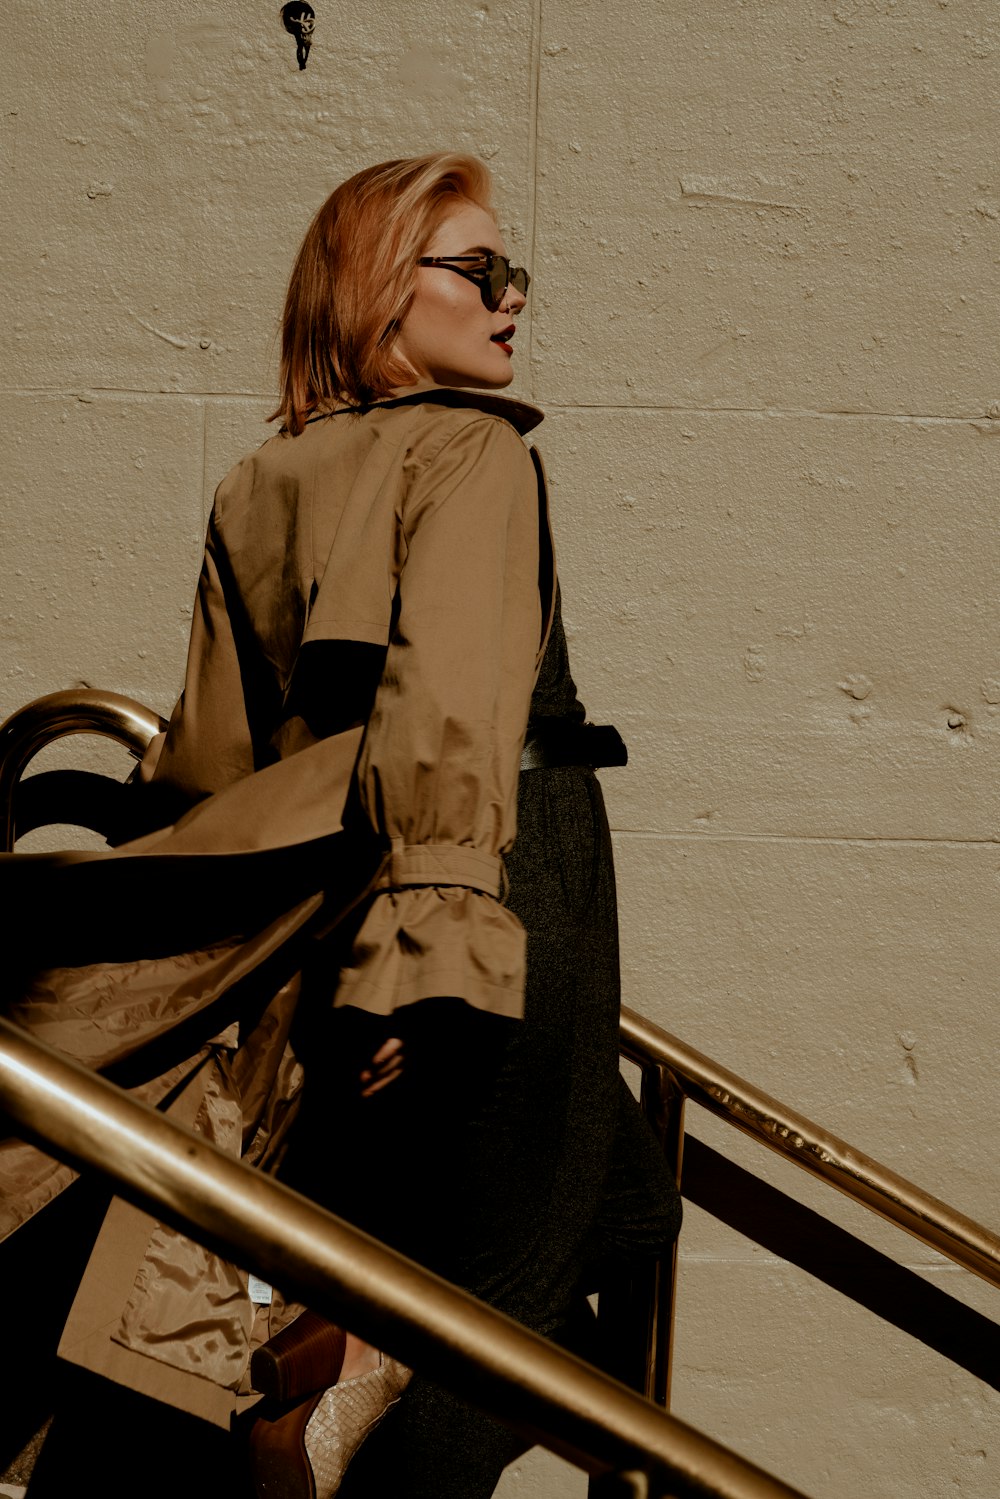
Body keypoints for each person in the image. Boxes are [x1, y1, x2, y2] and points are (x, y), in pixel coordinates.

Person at [0, 153, 679, 1499]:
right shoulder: (474, 450)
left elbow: (209, 762)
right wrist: (425, 975)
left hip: (350, 894)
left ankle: (337, 1366)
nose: (511, 299)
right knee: (508, 1283)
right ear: (378, 289)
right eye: (477, 271)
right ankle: (333, 1421)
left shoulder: (267, 476)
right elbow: (448, 721)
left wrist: (327, 967)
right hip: (500, 863)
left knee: (618, 1200)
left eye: (512, 274)